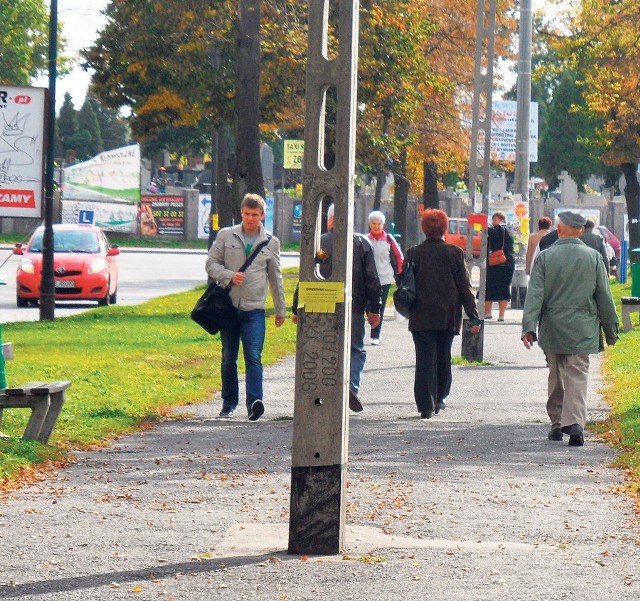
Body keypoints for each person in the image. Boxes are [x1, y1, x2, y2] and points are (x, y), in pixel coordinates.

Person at [521, 210, 618, 446]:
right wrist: (611, 330)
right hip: (583, 327)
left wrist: (529, 327)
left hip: (553, 325)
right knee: (578, 373)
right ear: (582, 230)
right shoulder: (593, 257)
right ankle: (575, 423)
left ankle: (556, 424)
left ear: (559, 229)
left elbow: (535, 295)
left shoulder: (545, 257)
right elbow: (604, 297)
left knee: (556, 374)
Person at [292, 204, 382, 411]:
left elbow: (306, 275)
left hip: (321, 305)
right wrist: (374, 308)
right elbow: (372, 280)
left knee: (323, 348)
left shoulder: (321, 244)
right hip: (354, 307)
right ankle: (351, 386)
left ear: (330, 220)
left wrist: (297, 307)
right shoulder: (360, 243)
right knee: (355, 349)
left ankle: (322, 392)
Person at [205, 193, 286, 421]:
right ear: (242, 213)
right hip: (228, 308)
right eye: (247, 214)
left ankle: (254, 403)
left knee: (253, 355)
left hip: (254, 309)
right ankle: (229, 404)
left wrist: (281, 309)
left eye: (255, 215)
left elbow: (275, 276)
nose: (250, 219)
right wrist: (230, 275)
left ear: (262, 215)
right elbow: (210, 264)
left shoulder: (271, 242)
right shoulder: (226, 235)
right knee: (228, 357)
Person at [406, 209, 481, 419]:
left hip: (420, 314)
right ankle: (440, 398)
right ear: (444, 228)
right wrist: (473, 316)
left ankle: (425, 405)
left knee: (423, 358)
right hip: (447, 315)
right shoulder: (455, 253)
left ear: (424, 228)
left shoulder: (413, 253)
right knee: (443, 356)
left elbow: (402, 280)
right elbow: (464, 288)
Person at [366, 210, 403, 345]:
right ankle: (373, 327)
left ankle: (375, 335)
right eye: (374, 224)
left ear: (383, 225)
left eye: (379, 224)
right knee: (368, 306)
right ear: (370, 225)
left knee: (379, 307)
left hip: (384, 278)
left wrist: (400, 273)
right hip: (368, 279)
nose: (376, 226)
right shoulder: (365, 239)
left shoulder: (388, 239)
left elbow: (399, 257)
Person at [485, 211, 515, 321]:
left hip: (495, 262)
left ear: (501, 220)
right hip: (508, 262)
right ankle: (501, 315)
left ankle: (488, 313)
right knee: (504, 288)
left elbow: (486, 235)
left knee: (488, 287)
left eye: (495, 220)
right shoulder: (510, 230)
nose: (493, 222)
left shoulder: (496, 229)